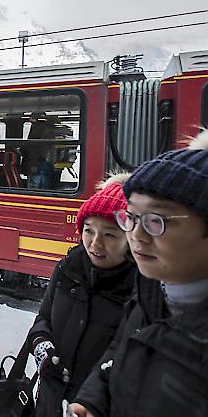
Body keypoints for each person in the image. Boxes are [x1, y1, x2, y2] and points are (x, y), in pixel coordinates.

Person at [70, 130, 208, 417]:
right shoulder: (150, 289)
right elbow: (119, 352)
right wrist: (94, 401)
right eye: (130, 217)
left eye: (157, 221)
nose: (137, 235)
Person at [28, 175, 136, 417]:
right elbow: (42, 321)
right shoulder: (68, 268)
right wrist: (42, 348)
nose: (95, 243)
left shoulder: (141, 290)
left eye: (110, 234)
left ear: (130, 239)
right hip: (49, 400)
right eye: (89, 231)